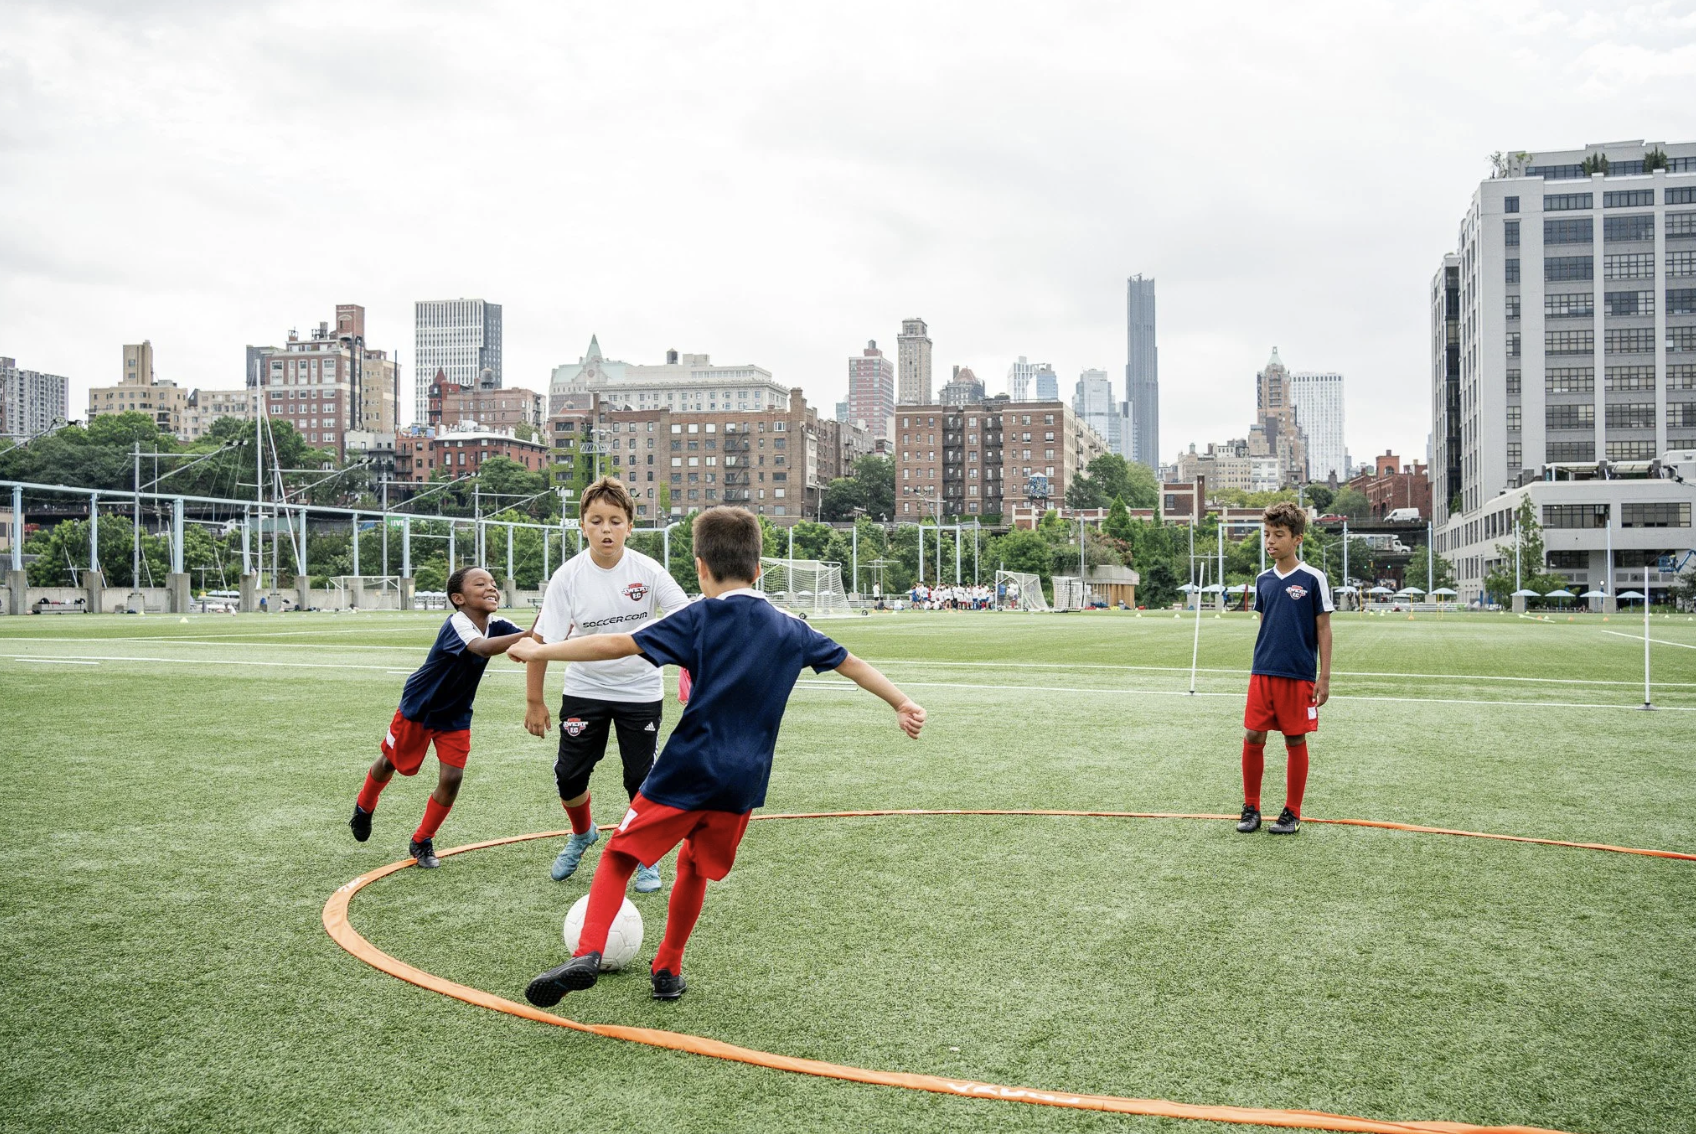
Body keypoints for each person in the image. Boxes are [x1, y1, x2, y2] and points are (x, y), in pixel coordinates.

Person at [511, 506, 925, 1004]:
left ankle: (589, 952)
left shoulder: (699, 616)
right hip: (745, 780)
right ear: (759, 570)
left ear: (700, 566)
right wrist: (901, 702)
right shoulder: (792, 627)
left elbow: (618, 644)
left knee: (619, 855)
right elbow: (851, 663)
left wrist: (543, 651)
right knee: (695, 868)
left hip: (688, 766)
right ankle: (667, 969)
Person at [526, 476, 690, 894]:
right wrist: (534, 700)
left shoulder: (648, 571)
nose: (605, 529)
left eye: (615, 521)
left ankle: (643, 855)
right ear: (582, 524)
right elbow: (540, 641)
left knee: (641, 779)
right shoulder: (568, 577)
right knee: (569, 775)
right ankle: (582, 833)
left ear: (629, 526)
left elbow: (685, 616)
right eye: (596, 520)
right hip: (585, 688)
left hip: (640, 691)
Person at [349, 567, 525, 866]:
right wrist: (529, 636)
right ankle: (364, 807)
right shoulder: (459, 623)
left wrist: (554, 626)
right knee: (390, 762)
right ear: (458, 598)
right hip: (420, 708)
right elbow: (480, 648)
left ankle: (422, 840)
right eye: (480, 584)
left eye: (494, 584)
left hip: (456, 714)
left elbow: (534, 638)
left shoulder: (499, 624)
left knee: (453, 777)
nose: (491, 588)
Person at [1237, 502, 1333, 836]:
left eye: (1278, 535)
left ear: (1297, 539)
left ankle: (1291, 812)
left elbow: (1324, 630)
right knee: (1252, 734)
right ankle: (1251, 808)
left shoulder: (1312, 579)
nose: (1271, 541)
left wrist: (1324, 677)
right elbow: (1265, 624)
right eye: (1267, 534)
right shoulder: (1263, 580)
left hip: (1299, 675)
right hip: (1263, 672)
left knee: (1295, 739)